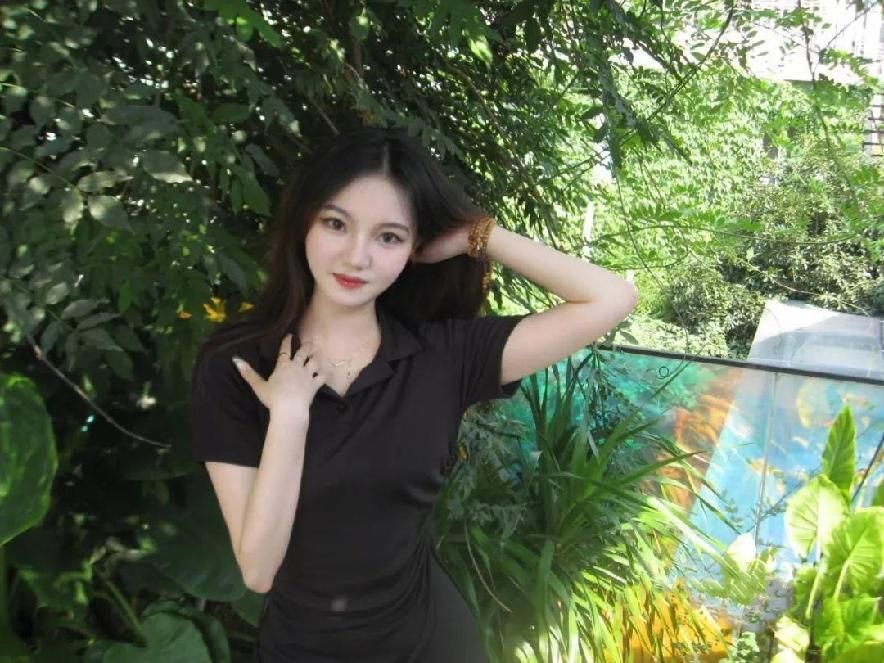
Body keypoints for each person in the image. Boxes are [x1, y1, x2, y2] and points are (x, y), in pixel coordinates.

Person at [189, 126, 639, 662]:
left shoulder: (444, 356)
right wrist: (288, 415)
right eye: (336, 224)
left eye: (389, 237)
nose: (357, 256)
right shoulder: (238, 366)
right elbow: (258, 570)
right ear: (303, 222)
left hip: (434, 644)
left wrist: (477, 235)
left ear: (414, 249)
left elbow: (611, 298)